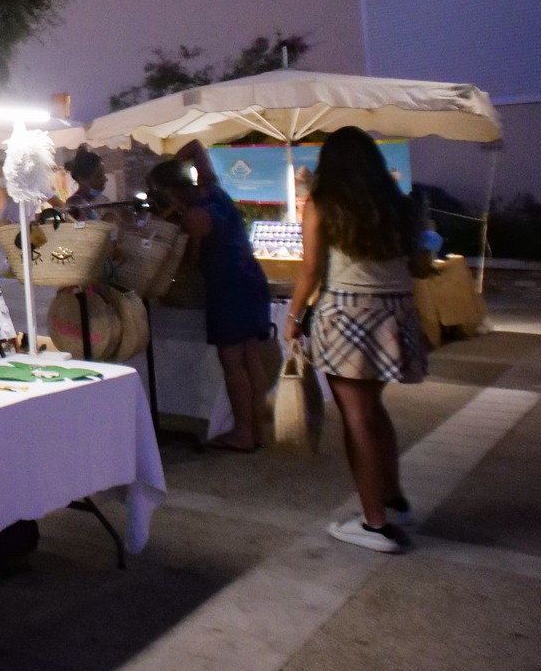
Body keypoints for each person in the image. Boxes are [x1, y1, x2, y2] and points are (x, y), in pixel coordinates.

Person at [286, 127, 430, 554]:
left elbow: (310, 270)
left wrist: (293, 317)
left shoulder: (323, 204)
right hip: (395, 314)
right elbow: (420, 266)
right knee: (372, 410)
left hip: (346, 313)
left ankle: (375, 523)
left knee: (356, 418)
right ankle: (393, 498)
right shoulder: (400, 206)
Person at [149, 139, 273, 452]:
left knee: (232, 364)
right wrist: (175, 165)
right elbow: (195, 146)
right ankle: (256, 431)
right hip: (252, 277)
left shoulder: (194, 216)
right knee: (251, 359)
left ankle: (243, 434)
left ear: (168, 190)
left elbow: (190, 261)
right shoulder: (214, 189)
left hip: (228, 285)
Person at [64, 147, 110, 219]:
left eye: (104, 175)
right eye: (98, 176)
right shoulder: (75, 204)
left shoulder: (102, 200)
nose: (105, 179)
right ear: (82, 179)